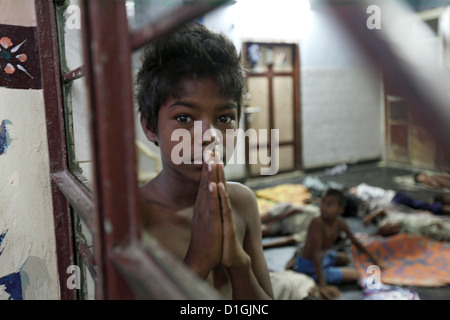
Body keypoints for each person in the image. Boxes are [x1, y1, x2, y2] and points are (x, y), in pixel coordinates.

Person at [136, 24, 273, 300]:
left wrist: (238, 263)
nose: (209, 136)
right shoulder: (134, 218)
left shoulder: (243, 202)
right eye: (184, 118)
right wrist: (197, 261)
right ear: (150, 126)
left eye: (224, 118)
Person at [293, 189, 385, 300]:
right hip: (309, 266)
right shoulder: (317, 223)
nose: (323, 207)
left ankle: (323, 272)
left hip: (322, 257)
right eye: (323, 203)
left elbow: (356, 243)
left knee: (345, 259)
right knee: (356, 275)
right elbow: (316, 253)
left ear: (340, 210)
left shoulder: (340, 223)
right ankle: (313, 280)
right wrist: (323, 285)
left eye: (330, 205)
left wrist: (376, 260)